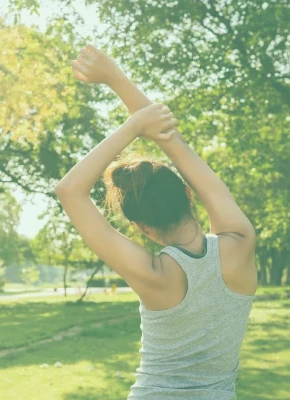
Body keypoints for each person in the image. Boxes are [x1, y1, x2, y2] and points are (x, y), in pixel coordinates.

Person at [54, 45, 258, 400]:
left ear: (141, 227)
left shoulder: (154, 274)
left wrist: (133, 125)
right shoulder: (240, 242)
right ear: (189, 196)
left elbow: (69, 191)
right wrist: (116, 78)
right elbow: (173, 142)